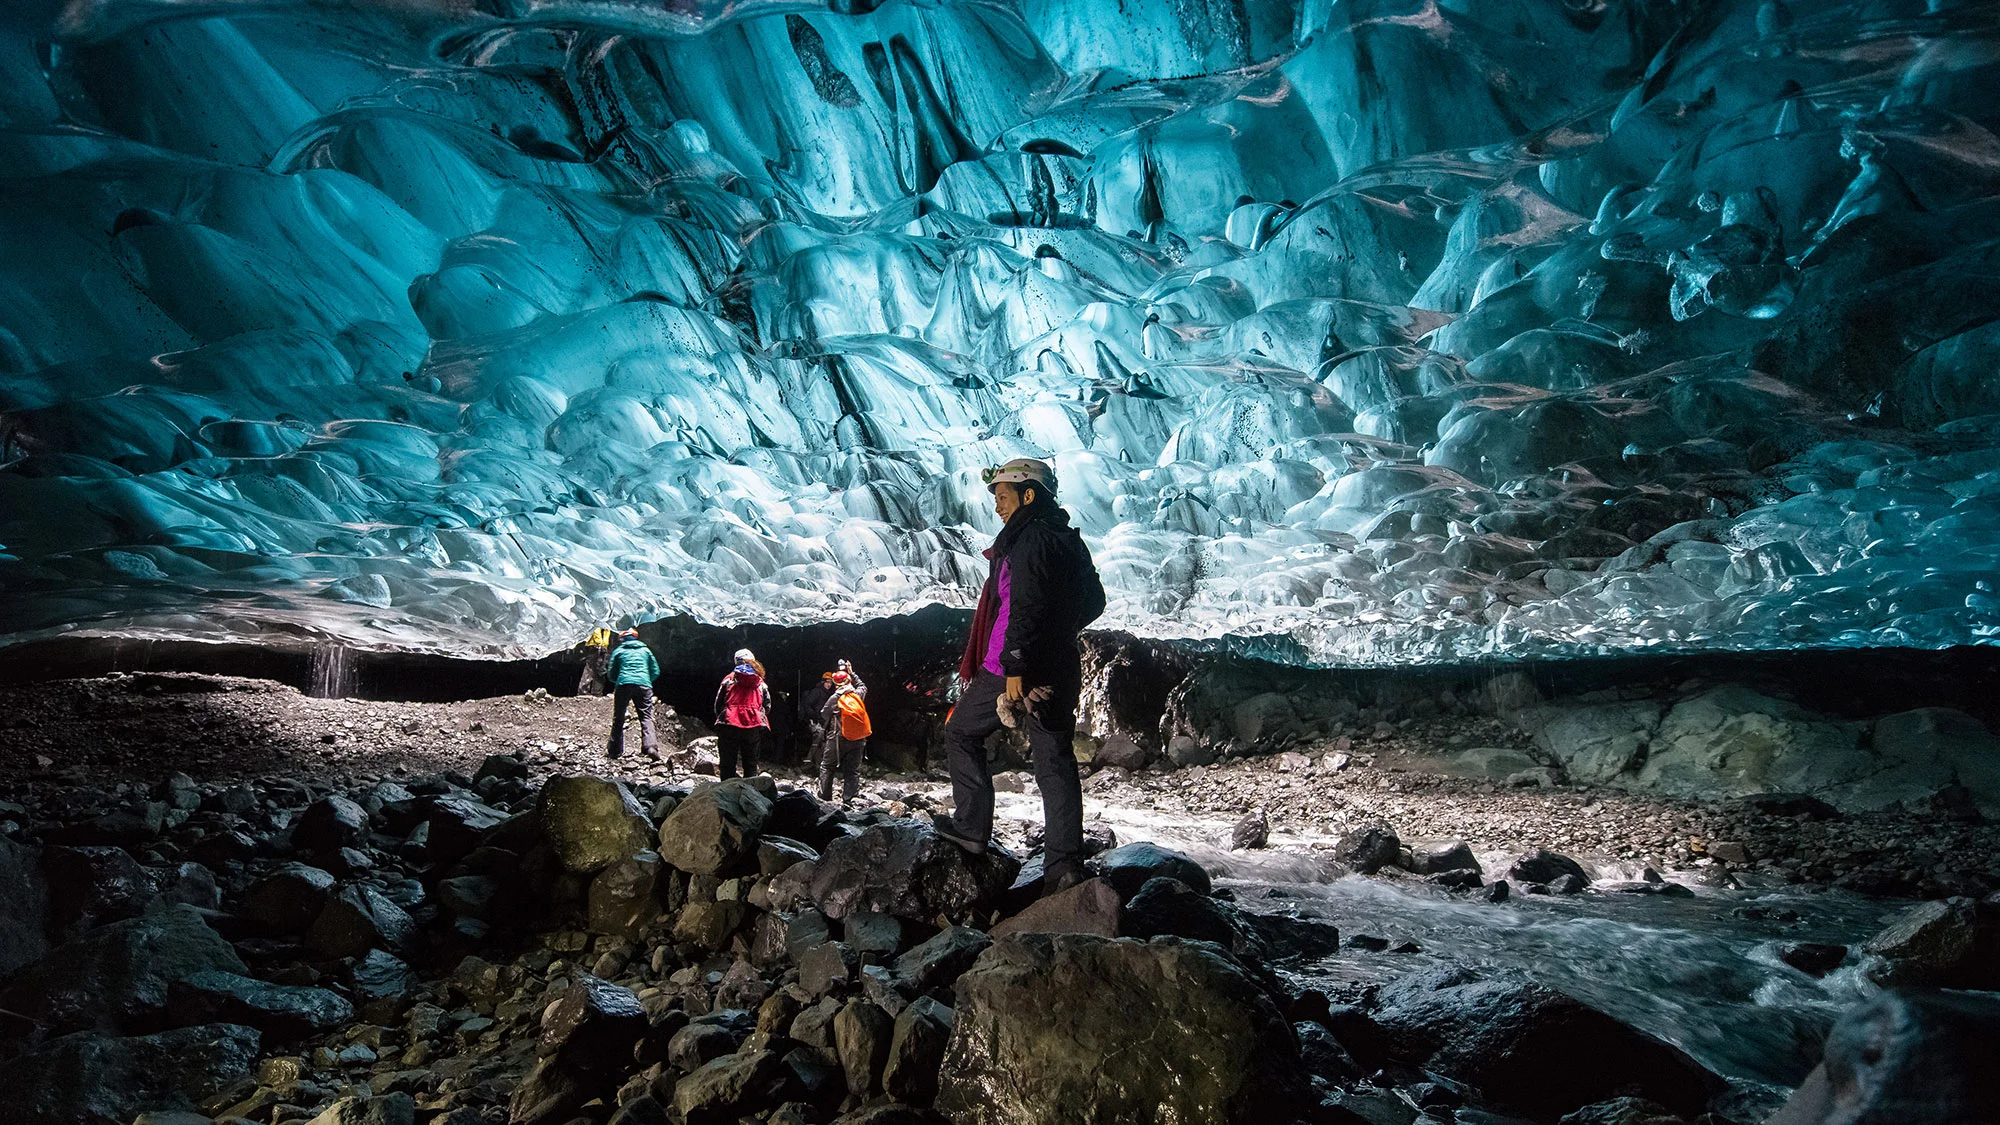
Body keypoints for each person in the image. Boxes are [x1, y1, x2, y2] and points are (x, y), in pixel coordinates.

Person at [935, 458, 1105, 894]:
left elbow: (1024, 607)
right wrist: (1056, 637)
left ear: (1028, 495)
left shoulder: (1027, 539)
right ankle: (1064, 867)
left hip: (1012, 669)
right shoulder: (1067, 538)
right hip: (1058, 665)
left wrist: (1016, 667)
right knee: (1054, 761)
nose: (997, 508)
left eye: (1003, 497)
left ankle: (971, 829)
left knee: (960, 733)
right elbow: (1094, 601)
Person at [713, 647, 770, 778]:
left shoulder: (729, 679)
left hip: (729, 724)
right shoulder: (760, 682)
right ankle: (749, 794)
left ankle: (726, 794)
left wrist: (723, 717)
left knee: (727, 763)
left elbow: (718, 703)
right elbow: (767, 705)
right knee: (750, 765)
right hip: (752, 726)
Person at [604, 629, 660, 759]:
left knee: (619, 717)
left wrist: (619, 680)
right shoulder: (646, 651)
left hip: (624, 685)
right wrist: (645, 680)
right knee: (646, 716)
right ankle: (650, 747)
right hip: (644, 685)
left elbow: (611, 673)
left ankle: (615, 750)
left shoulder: (619, 651)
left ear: (623, 639)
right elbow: (655, 670)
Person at [817, 665, 870, 801]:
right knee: (852, 770)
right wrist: (852, 673)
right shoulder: (858, 695)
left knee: (827, 766)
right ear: (849, 681)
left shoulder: (835, 698)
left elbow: (824, 714)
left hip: (837, 738)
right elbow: (862, 686)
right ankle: (850, 798)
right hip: (858, 738)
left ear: (836, 684)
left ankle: (825, 796)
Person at [577, 626, 614, 696]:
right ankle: (587, 691)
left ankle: (593, 691)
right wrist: (599, 644)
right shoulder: (597, 624)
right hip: (595, 646)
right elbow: (595, 631)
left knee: (598, 670)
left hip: (600, 647)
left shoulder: (605, 627)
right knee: (593, 669)